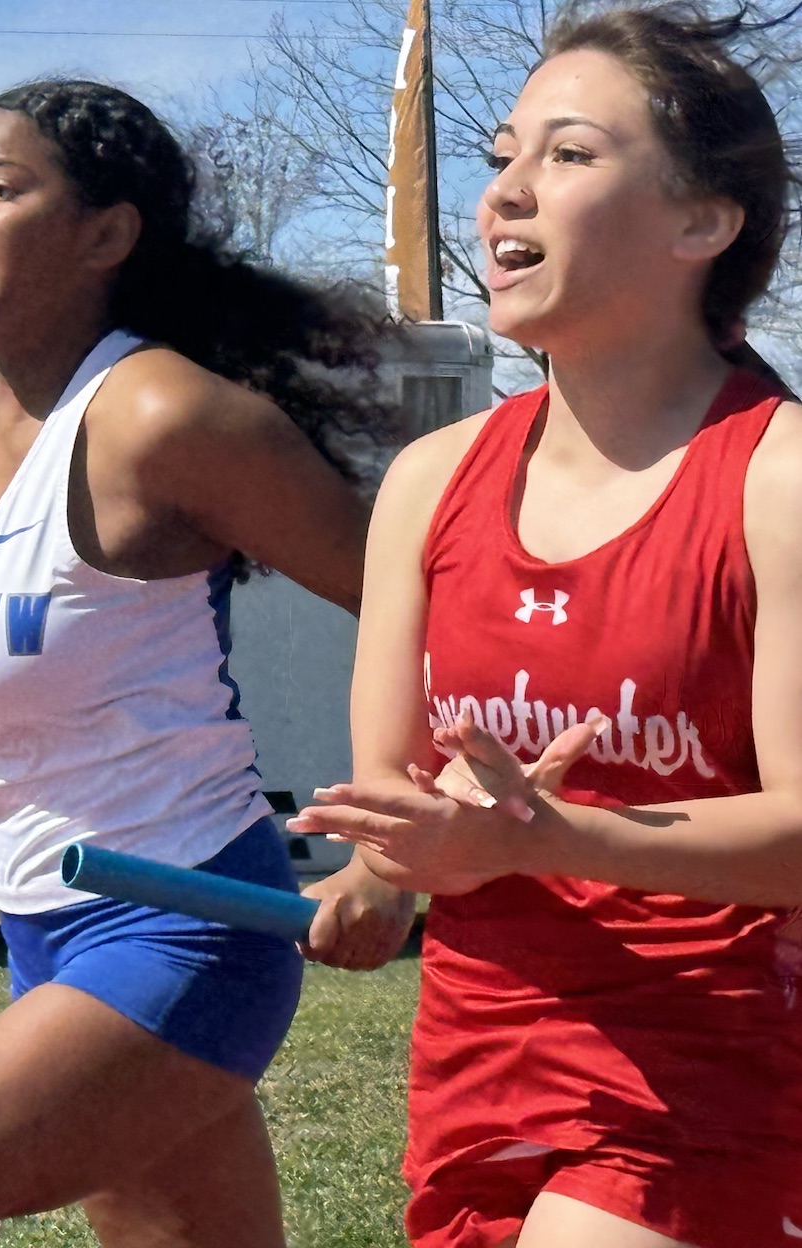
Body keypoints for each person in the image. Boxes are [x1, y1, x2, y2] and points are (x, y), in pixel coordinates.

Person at [0, 79, 402, 1248]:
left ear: (106, 234)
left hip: (188, 920)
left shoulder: (161, 416)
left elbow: (422, 606)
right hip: (41, 922)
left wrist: (392, 850)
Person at [291, 6, 802, 1245]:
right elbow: (399, 791)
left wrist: (546, 837)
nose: (505, 195)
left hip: (712, 1071)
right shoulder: (426, 481)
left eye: (567, 157)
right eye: (502, 158)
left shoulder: (776, 479)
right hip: (474, 1068)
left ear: (702, 221)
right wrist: (381, 869)